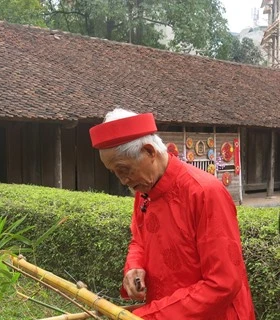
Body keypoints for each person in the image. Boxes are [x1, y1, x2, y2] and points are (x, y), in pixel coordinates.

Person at [89, 108, 255, 319]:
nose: (123, 181)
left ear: (150, 152)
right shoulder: (144, 190)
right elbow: (139, 239)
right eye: (115, 173)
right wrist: (134, 266)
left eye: (124, 170)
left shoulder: (204, 192)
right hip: (165, 307)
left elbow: (222, 283)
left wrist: (150, 315)